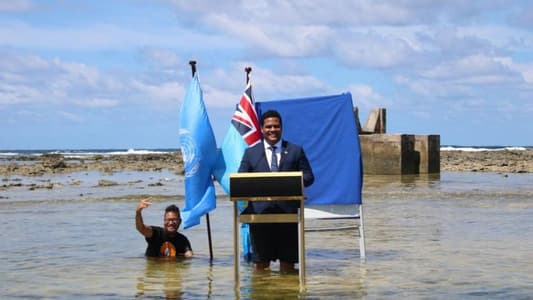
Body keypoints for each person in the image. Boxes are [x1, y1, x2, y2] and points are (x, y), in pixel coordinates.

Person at [238, 109, 314, 273]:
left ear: (281, 127)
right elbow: (241, 179)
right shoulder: (251, 153)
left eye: (276, 126)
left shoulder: (295, 150)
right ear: (262, 129)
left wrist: (291, 182)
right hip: (259, 216)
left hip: (288, 216)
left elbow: (309, 176)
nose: (273, 130)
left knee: (287, 266)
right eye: (269, 127)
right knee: (261, 267)